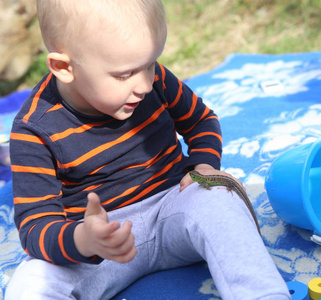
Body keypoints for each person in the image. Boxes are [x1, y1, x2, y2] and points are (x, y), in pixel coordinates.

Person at [5, 0, 291, 299]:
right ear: (65, 67)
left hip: (173, 207)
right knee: (33, 282)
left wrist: (203, 167)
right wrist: (83, 240)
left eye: (151, 62)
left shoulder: (152, 79)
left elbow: (201, 120)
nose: (144, 84)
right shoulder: (33, 129)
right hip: (101, 244)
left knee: (220, 199)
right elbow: (35, 227)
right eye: (123, 74)